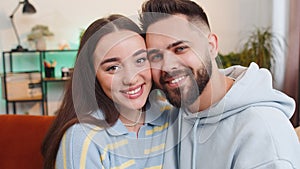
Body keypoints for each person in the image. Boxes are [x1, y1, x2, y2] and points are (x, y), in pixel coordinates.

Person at [140, 0, 300, 168]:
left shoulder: (263, 134)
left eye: (180, 49)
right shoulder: (178, 113)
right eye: (156, 57)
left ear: (211, 46)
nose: (167, 66)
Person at [41, 14, 176, 169]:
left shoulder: (171, 116)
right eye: (113, 68)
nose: (130, 79)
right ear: (92, 76)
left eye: (140, 60)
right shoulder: (83, 138)